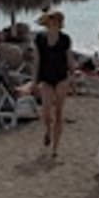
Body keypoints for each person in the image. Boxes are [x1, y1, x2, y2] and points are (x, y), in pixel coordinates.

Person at [32, 9, 72, 159]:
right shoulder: (40, 38)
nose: (53, 23)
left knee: (59, 113)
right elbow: (37, 61)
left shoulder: (65, 39)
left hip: (61, 77)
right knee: (46, 112)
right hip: (46, 78)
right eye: (51, 20)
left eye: (56, 20)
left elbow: (69, 58)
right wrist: (34, 81)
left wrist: (73, 75)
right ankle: (48, 131)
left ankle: (55, 148)